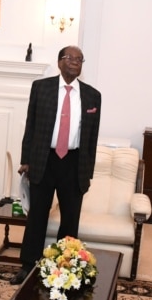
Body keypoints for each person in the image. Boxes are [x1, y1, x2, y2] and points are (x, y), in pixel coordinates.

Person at [10, 45, 102, 285]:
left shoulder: (93, 96)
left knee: (70, 219)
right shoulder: (42, 88)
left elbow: (92, 137)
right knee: (37, 216)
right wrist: (26, 160)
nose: (75, 62)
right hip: (44, 159)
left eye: (80, 59)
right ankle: (28, 264)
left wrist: (88, 172)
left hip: (74, 163)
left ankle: (65, 266)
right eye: (70, 58)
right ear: (59, 61)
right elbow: (31, 126)